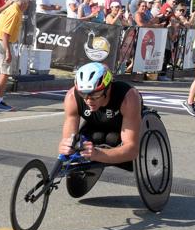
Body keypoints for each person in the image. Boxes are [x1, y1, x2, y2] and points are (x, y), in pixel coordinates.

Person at [57, 62, 143, 197]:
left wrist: (97, 154)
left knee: (111, 139)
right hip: (95, 128)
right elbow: (69, 137)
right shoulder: (73, 97)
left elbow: (132, 150)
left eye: (95, 95)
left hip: (121, 130)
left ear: (108, 88)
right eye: (83, 94)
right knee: (83, 141)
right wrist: (66, 146)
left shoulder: (128, 97)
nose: (88, 100)